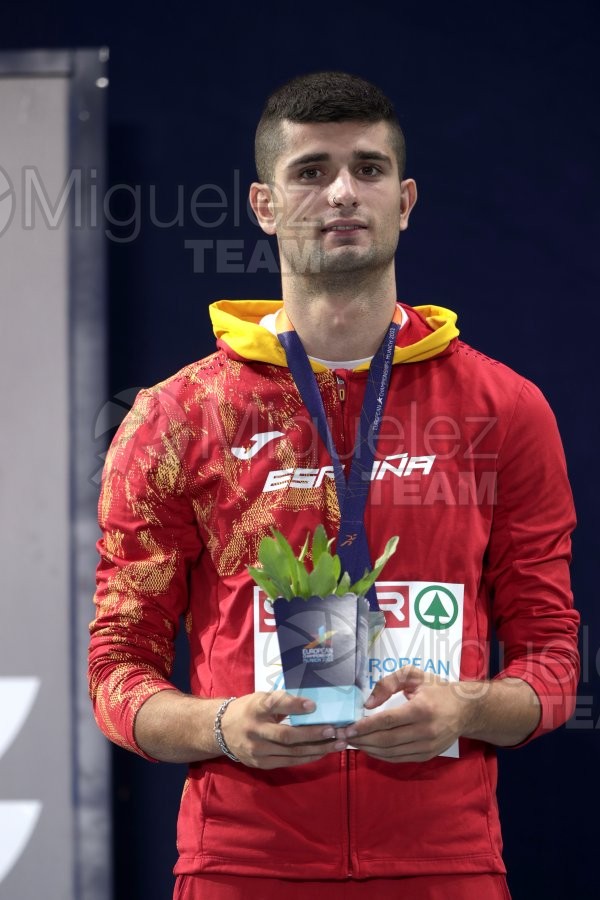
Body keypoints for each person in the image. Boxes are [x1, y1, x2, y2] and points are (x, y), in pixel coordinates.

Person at [88, 71, 579, 900]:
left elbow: (556, 662)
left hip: (444, 866)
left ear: (407, 198)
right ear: (263, 205)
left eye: (369, 168)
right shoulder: (178, 417)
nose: (343, 192)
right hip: (241, 865)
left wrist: (463, 709)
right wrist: (220, 726)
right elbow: (115, 665)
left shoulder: (506, 408)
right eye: (311, 171)